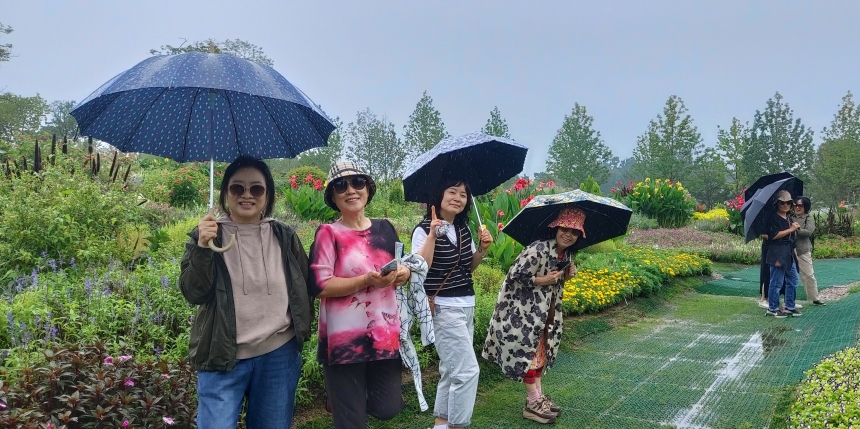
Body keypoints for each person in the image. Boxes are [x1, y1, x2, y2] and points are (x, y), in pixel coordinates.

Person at [179, 156, 312, 429]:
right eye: (237, 188)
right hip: (222, 356)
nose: (247, 195)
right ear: (226, 192)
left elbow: (304, 285)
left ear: (268, 194)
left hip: (279, 354)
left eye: (256, 188)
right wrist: (203, 247)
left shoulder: (284, 236)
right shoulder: (208, 236)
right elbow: (194, 293)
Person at [307, 161, 412, 429]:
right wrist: (365, 281)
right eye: (341, 185)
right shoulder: (328, 233)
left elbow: (400, 264)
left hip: (384, 336)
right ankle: (343, 400)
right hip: (344, 341)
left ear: (368, 189)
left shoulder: (385, 228)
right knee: (351, 422)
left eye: (358, 182)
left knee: (388, 407)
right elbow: (320, 285)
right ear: (333, 196)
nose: (351, 190)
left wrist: (404, 273)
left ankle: (342, 398)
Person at [482, 207, 582, 425]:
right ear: (556, 228)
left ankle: (538, 398)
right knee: (529, 357)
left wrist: (567, 276)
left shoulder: (566, 254)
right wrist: (542, 280)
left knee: (540, 356)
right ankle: (533, 402)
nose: (568, 234)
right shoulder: (538, 249)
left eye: (574, 232)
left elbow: (554, 282)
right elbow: (515, 274)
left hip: (545, 315)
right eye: (564, 229)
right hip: (522, 314)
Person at [411, 178, 492, 429]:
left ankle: (441, 424)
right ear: (439, 195)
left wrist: (482, 249)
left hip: (466, 304)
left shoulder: (463, 229)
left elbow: (468, 267)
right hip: (443, 307)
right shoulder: (423, 229)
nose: (458, 198)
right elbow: (420, 268)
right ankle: (457, 425)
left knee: (450, 369)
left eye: (463, 195)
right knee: (467, 371)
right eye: (452, 192)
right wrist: (432, 236)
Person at [765, 190, 802, 318]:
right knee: (776, 282)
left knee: (793, 280)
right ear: (777, 204)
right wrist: (790, 229)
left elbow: (791, 237)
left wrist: (794, 230)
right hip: (777, 253)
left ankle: (789, 306)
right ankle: (772, 308)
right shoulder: (773, 218)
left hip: (789, 253)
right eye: (782, 203)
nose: (786, 205)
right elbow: (773, 236)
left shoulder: (789, 218)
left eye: (788, 203)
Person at [792, 196, 825, 306]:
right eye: (795, 205)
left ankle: (814, 298)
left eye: (800, 205)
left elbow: (808, 232)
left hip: (803, 250)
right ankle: (788, 300)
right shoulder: (789, 217)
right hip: (789, 250)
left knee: (808, 275)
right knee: (788, 276)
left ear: (805, 207)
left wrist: (796, 229)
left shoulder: (808, 218)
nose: (797, 207)